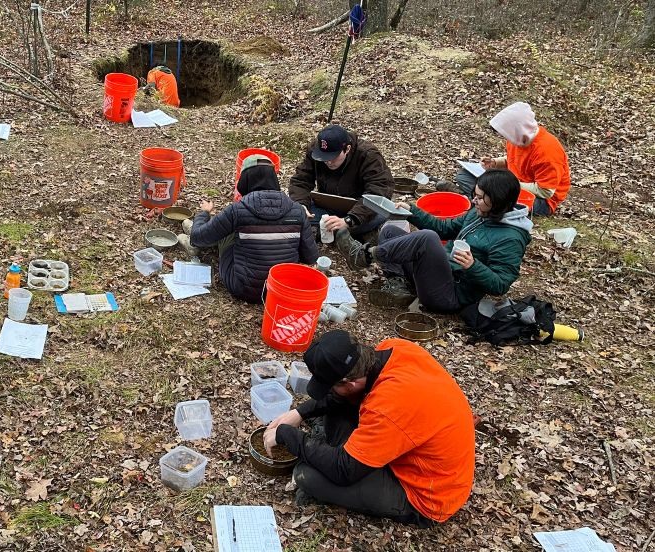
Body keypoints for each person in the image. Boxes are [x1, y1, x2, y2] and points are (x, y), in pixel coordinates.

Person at [264, 330, 475, 527]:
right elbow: (341, 396)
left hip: (427, 494)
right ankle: (343, 452)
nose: (329, 391)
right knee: (338, 408)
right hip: (409, 441)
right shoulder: (395, 349)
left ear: (349, 382)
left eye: (330, 385)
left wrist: (288, 436)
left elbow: (343, 471)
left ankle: (344, 459)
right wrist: (299, 413)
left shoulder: (388, 406)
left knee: (306, 475)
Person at [334, 169, 532, 311]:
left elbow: (500, 285)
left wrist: (473, 266)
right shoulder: (479, 213)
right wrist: (412, 211)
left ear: (496, 201)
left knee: (427, 239)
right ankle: (398, 287)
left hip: (451, 294)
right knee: (390, 232)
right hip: (439, 273)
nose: (474, 201)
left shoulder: (511, 238)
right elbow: (444, 228)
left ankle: (365, 255)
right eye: (475, 196)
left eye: (480, 198)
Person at [181, 155, 318, 303]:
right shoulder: (297, 210)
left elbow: (197, 237)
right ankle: (204, 229)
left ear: (245, 180)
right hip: (280, 290)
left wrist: (204, 213)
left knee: (228, 231)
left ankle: (199, 237)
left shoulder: (238, 209)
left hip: (243, 288)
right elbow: (310, 257)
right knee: (239, 227)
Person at [450, 102, 570, 216]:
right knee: (463, 176)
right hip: (513, 183)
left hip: (539, 200)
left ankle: (474, 200)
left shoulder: (547, 151)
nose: (505, 137)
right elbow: (516, 159)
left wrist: (509, 184)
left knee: (499, 196)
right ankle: (480, 199)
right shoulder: (518, 139)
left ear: (517, 129)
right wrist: (496, 163)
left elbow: (546, 192)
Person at [288, 125, 395, 241]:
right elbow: (301, 180)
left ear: (347, 149)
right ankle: (338, 231)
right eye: (323, 157)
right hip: (327, 206)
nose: (328, 162)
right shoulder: (316, 149)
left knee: (380, 214)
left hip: (360, 209)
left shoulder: (368, 155)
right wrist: (301, 205)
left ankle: (335, 230)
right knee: (295, 214)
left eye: (333, 157)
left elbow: (379, 191)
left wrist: (349, 220)